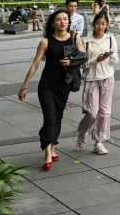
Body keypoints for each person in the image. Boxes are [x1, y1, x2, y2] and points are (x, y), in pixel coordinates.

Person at [18, 9, 85, 170]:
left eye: (65, 19)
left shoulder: (75, 38)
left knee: (58, 117)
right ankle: (48, 151)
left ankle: (52, 146)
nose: (62, 22)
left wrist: (71, 61)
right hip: (47, 85)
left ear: (68, 22)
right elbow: (35, 64)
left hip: (64, 85)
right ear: (53, 22)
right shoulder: (46, 42)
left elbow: (83, 56)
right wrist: (24, 85)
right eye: (58, 19)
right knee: (50, 117)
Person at [76, 12, 118, 155]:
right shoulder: (85, 41)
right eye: (98, 24)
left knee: (104, 112)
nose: (101, 27)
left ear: (107, 25)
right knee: (92, 113)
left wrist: (110, 56)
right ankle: (82, 132)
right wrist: (96, 60)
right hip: (91, 79)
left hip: (107, 77)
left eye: (104, 24)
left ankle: (98, 142)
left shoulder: (111, 39)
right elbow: (82, 65)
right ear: (93, 24)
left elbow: (115, 61)